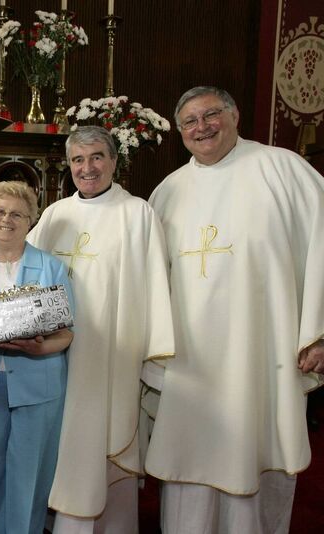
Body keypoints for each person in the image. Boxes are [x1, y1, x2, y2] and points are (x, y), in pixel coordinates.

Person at [146, 86, 324, 533]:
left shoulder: (283, 170)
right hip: (190, 362)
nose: (201, 127)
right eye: (190, 121)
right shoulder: (168, 192)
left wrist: (318, 329)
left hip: (263, 352)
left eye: (211, 115)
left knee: (257, 455)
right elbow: (146, 279)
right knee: (191, 462)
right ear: (180, 132)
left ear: (235, 114)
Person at [27, 125, 175, 533]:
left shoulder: (137, 213)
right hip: (56, 358)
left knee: (105, 445)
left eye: (96, 158)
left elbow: (155, 287)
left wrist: (150, 352)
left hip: (110, 356)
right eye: (78, 160)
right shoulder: (55, 215)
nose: (87, 168)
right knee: (64, 446)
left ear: (113, 161)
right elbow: (26, 278)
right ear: (68, 166)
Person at [0, 180, 74, 534]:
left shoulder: (51, 268)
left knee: (30, 474)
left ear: (31, 221)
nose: (6, 219)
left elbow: (67, 332)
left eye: (17, 214)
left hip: (37, 385)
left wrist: (41, 347)